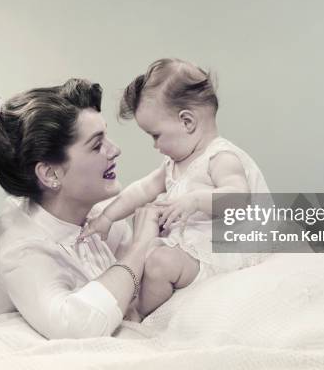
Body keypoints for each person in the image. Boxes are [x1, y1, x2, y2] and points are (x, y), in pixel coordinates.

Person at [0, 79, 159, 339]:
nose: (115, 150)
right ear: (49, 174)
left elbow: (144, 280)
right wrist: (141, 246)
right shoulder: (20, 246)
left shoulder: (94, 209)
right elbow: (79, 326)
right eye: (96, 144)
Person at [79, 58, 271, 317]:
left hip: (222, 254)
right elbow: (140, 190)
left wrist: (195, 200)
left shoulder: (221, 157)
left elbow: (239, 197)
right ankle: (142, 303)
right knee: (144, 252)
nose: (155, 146)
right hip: (191, 251)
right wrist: (106, 218)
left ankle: (139, 316)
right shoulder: (173, 163)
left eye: (155, 135)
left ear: (187, 122)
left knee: (159, 263)